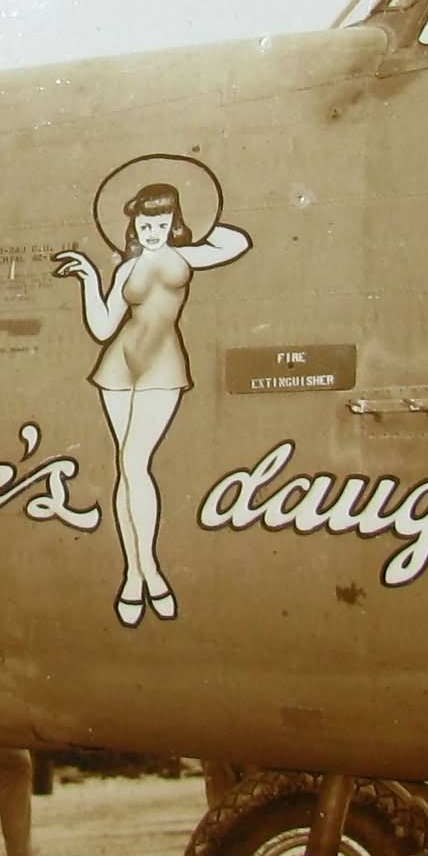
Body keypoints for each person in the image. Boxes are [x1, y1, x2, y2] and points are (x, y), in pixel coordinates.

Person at [55, 177, 251, 627]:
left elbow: (235, 241)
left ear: (173, 223)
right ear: (134, 226)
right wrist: (88, 277)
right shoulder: (126, 269)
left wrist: (197, 226)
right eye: (145, 224)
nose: (152, 232)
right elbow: (103, 328)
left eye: (161, 223)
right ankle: (134, 574)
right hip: (118, 367)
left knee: (135, 464)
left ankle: (149, 572)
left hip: (162, 366)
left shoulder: (186, 255)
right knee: (127, 468)